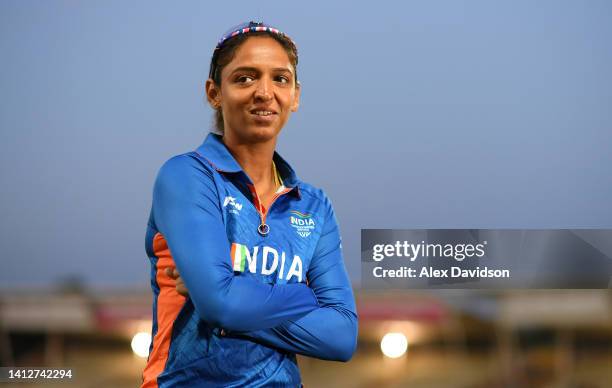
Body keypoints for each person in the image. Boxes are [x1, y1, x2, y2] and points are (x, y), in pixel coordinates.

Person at [141, 21, 358, 388]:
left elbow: (342, 336)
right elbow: (220, 304)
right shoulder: (187, 176)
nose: (264, 92)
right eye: (244, 78)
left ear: (296, 95)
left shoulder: (313, 205)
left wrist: (231, 293)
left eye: (280, 79)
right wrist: (304, 296)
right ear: (214, 92)